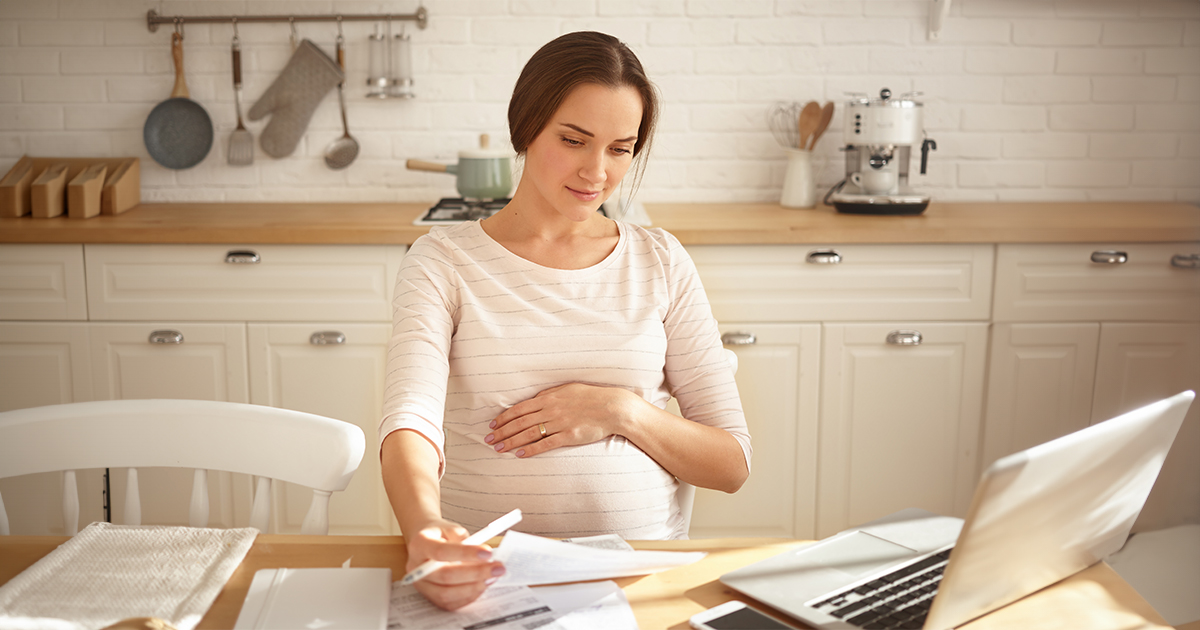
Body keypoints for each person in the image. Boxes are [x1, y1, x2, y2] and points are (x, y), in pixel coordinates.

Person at [379, 31, 751, 611]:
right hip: (487, 578)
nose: (596, 172)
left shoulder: (661, 259)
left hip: (639, 581)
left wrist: (618, 410)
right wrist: (424, 530)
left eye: (621, 148)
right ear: (525, 126)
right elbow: (411, 424)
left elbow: (730, 464)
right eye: (574, 140)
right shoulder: (443, 261)